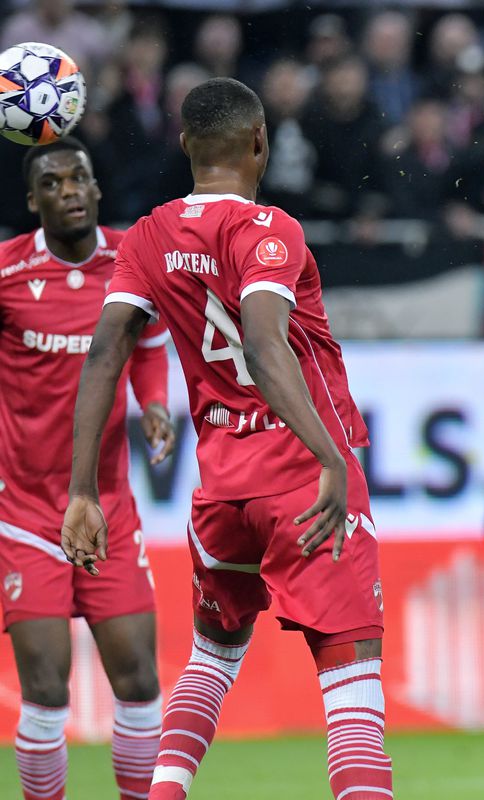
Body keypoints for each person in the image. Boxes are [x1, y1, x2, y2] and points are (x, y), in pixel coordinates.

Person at [60, 78, 390, 800]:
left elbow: (105, 352)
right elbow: (268, 347)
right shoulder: (270, 230)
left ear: (185, 146)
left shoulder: (146, 235)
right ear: (261, 141)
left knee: (211, 659)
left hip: (221, 489)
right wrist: (331, 456)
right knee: (352, 673)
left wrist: (81, 489)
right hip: (301, 474)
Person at [0, 136, 174, 800]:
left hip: (110, 508)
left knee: (138, 682)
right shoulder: (8, 273)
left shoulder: (131, 261)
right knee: (46, 692)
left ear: (98, 188)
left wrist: (153, 403)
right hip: (25, 512)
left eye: (80, 178)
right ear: (33, 200)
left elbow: (150, 340)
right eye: (53, 182)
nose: (69, 189)